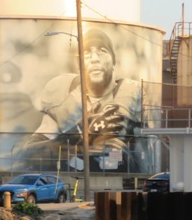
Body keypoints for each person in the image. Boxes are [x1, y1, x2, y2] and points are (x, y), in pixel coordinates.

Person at [16, 29, 143, 169]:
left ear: (114, 60)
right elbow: (29, 153)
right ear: (79, 62)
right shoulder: (64, 94)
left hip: (113, 176)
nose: (95, 58)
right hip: (74, 177)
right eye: (87, 53)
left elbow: (147, 160)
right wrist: (78, 136)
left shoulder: (133, 93)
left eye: (102, 50)